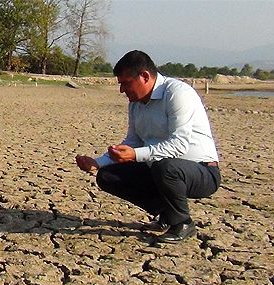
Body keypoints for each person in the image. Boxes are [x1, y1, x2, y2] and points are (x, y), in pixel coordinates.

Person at [75, 50, 221, 242]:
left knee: (166, 166)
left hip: (201, 171)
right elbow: (133, 142)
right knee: (108, 175)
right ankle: (167, 214)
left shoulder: (177, 93)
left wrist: (135, 154)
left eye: (126, 83)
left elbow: (179, 146)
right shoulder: (135, 104)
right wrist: (98, 162)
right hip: (161, 170)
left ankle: (183, 223)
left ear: (144, 76)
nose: (122, 90)